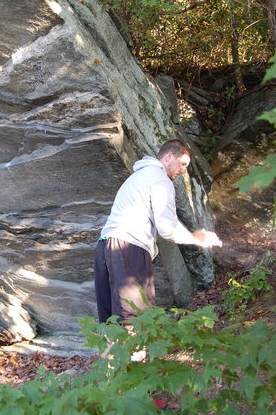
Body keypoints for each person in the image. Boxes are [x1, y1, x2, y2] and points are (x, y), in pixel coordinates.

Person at [94, 139, 222, 324]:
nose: (183, 171)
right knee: (135, 317)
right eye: (182, 164)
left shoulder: (139, 176)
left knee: (111, 321)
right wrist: (196, 238)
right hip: (129, 247)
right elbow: (168, 228)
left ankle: (110, 353)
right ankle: (135, 352)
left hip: (105, 247)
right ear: (169, 156)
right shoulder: (160, 179)